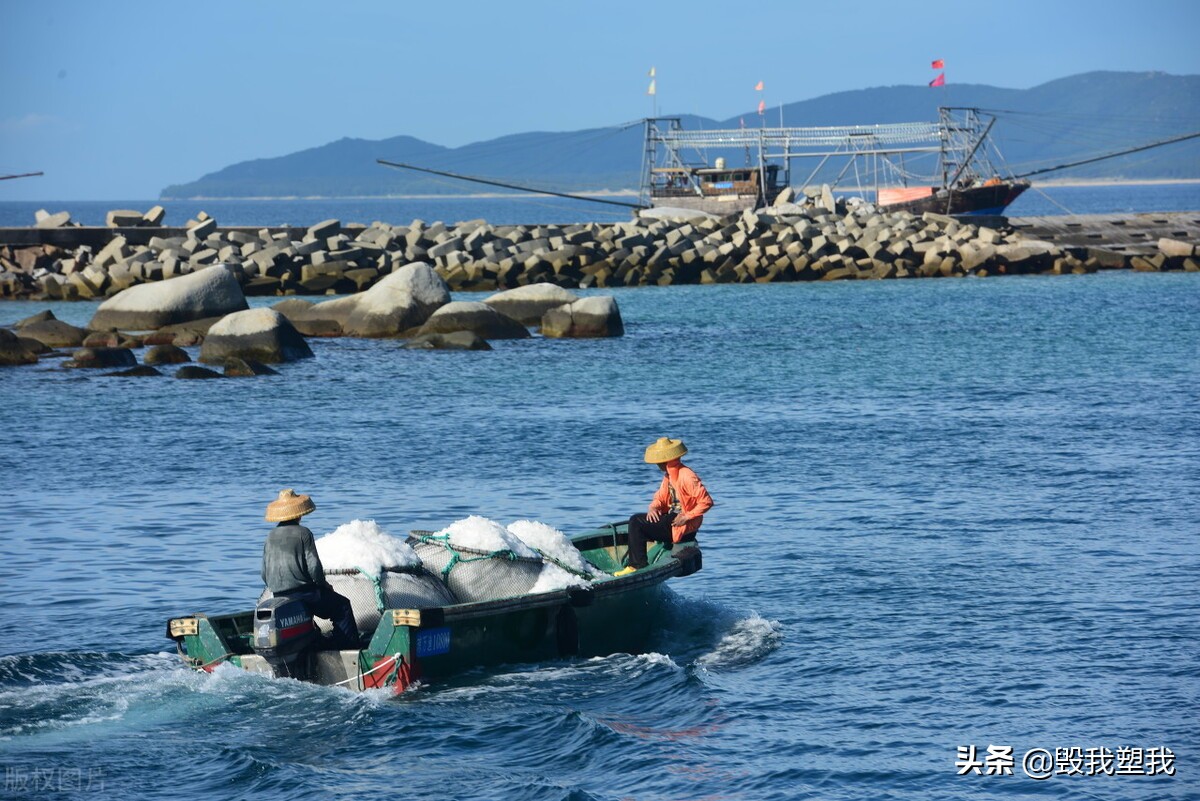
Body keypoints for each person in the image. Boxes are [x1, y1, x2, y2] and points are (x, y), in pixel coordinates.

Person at [261, 488, 360, 648]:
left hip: (278, 596)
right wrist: (323, 585)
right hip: (304, 594)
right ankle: (349, 647)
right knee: (342, 606)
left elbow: (264, 574)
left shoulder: (269, 537)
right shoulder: (304, 533)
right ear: (298, 514)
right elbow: (314, 567)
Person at [614, 437, 713, 577]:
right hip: (673, 519)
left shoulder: (687, 476)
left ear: (665, 461)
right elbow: (660, 497)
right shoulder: (669, 476)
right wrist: (653, 508)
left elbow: (706, 501)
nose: (657, 464)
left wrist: (686, 516)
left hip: (683, 527)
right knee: (641, 520)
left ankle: (636, 565)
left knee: (636, 522)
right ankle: (638, 561)